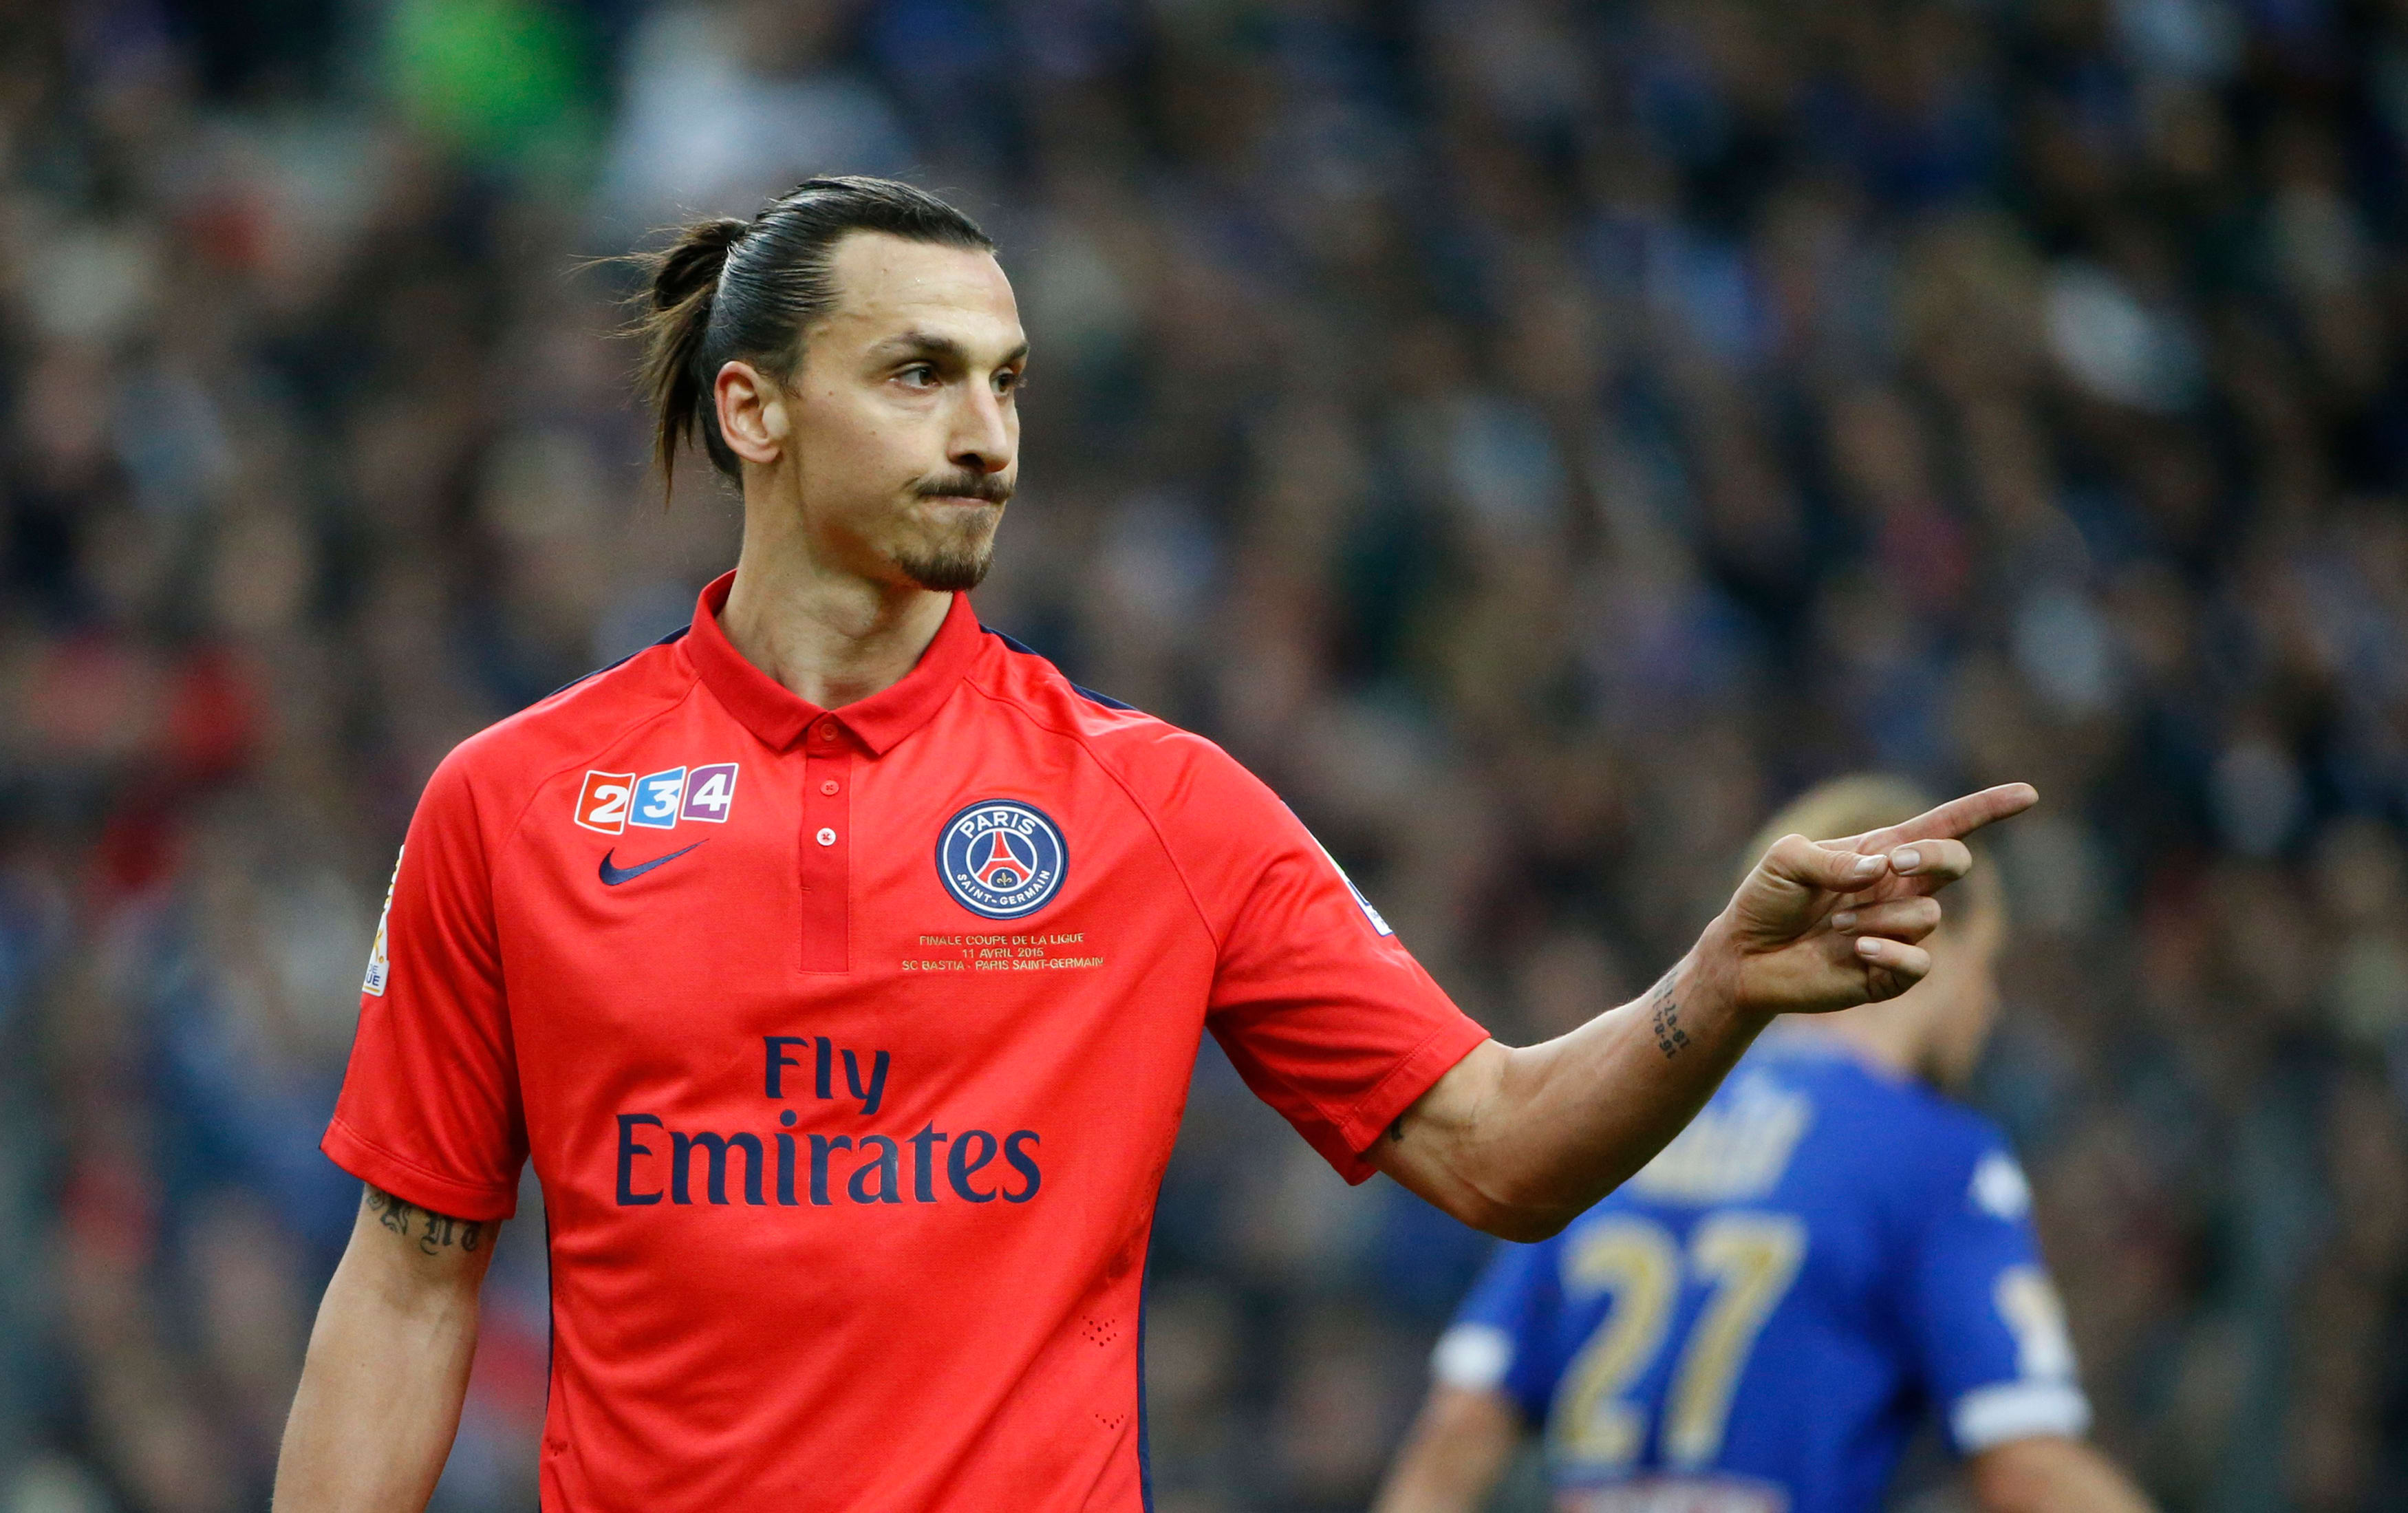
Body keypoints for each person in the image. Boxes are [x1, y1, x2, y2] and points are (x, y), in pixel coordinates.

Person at [270, 178, 2034, 1512]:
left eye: (1008, 383)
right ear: (755, 410)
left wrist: (1717, 986)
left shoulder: (1153, 805)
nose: (985, 435)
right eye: (918, 375)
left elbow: (1496, 1149)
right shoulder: (515, 802)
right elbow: (410, 1281)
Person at [1371, 775, 2153, 1513]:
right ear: (1928, 938)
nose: (1989, 1005)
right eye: (1985, 965)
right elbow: (2025, 1464)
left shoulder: (1611, 1128)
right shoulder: (1934, 1157)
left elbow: (1455, 1433)